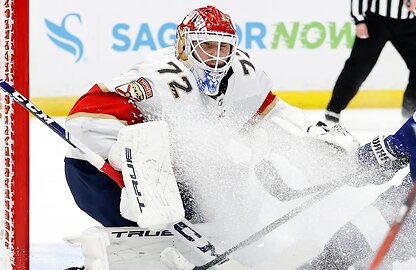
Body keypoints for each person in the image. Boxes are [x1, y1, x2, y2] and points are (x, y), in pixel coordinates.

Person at [63, 5, 416, 269]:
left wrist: (312, 134)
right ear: (186, 47)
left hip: (170, 178)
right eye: (208, 48)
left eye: (223, 48)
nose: (217, 58)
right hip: (98, 177)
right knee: (167, 211)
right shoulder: (159, 76)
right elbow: (85, 119)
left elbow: (273, 112)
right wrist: (128, 161)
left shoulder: (243, 72)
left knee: (232, 188)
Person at [325, 0, 416, 124]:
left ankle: (409, 114)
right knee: (358, 65)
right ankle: (333, 110)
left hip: (409, 22)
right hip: (376, 21)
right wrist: (360, 20)